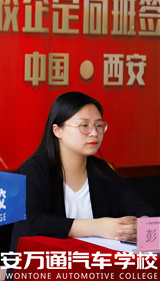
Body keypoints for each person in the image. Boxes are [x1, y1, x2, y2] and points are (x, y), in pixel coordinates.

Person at [11, 91, 157, 251]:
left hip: (92, 263)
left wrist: (140, 225)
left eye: (98, 125)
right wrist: (98, 227)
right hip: (43, 263)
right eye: (84, 126)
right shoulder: (34, 170)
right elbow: (31, 223)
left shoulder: (102, 171)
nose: (94, 133)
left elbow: (141, 208)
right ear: (57, 130)